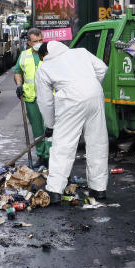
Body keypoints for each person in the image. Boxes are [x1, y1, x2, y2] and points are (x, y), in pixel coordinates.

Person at [35, 40, 109, 203]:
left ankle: (54, 191)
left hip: (70, 100)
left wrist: (50, 124)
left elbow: (45, 102)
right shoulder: (81, 52)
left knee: (63, 146)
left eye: (41, 58)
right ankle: (99, 189)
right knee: (97, 143)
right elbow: (102, 68)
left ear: (45, 54)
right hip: (95, 95)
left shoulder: (44, 68)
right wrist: (90, 86)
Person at [14, 28, 51, 168]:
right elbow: (17, 72)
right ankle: (41, 156)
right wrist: (19, 85)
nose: (39, 43)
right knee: (37, 130)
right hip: (31, 98)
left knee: (49, 127)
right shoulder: (24, 55)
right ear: (29, 42)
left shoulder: (49, 54)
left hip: (48, 98)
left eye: (41, 40)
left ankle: (50, 156)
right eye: (35, 41)